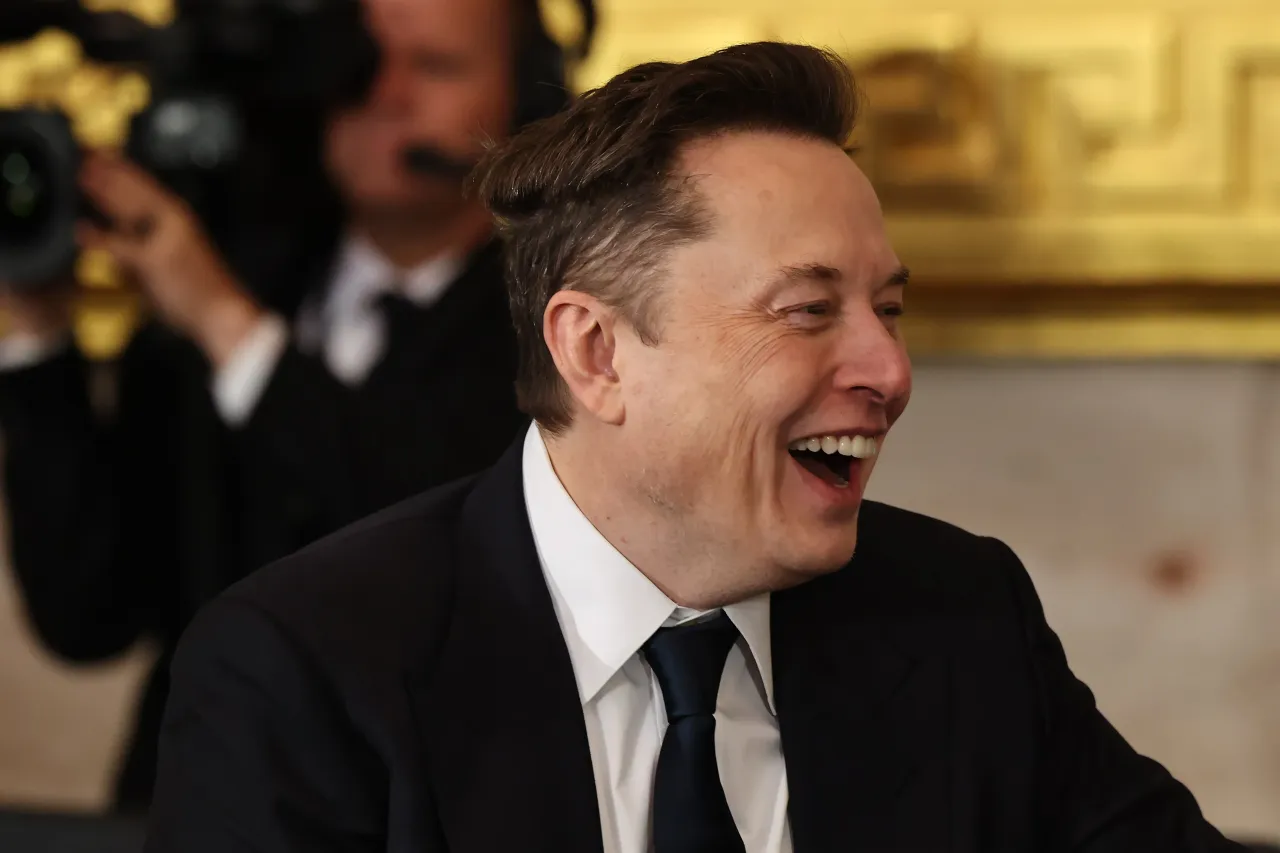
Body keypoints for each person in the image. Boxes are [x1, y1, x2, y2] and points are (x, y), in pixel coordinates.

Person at [143, 42, 1246, 852]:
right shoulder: (302, 669)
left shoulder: (960, 617)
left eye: (888, 309)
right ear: (598, 352)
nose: (888, 372)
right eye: (807, 310)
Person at [0, 0, 579, 814]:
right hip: (184, 806)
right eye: (358, 59)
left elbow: (452, 564)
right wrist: (36, 333)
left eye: (437, 66)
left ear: (528, 106)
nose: (386, 91)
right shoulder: (229, 277)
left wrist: (225, 327)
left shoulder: (562, 332)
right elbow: (87, 614)